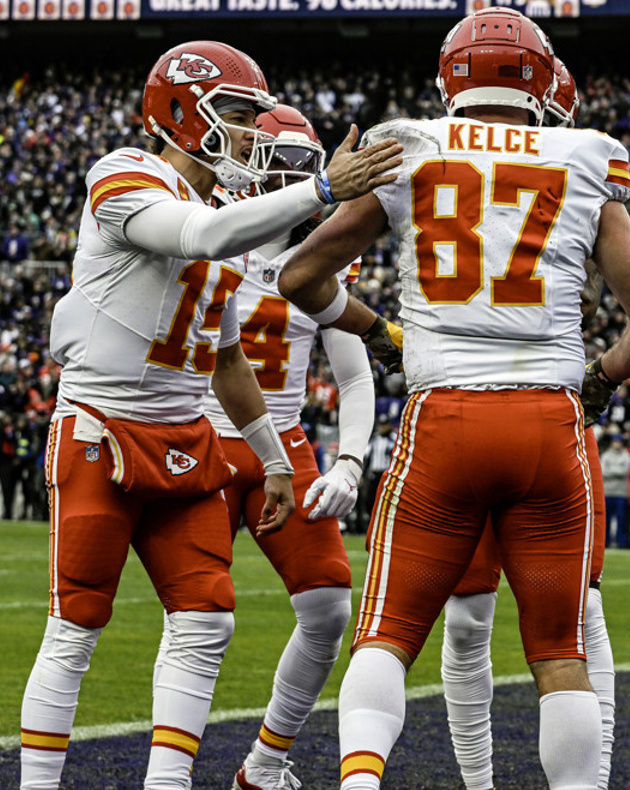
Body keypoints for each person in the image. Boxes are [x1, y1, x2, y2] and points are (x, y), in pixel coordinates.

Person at [277, 8, 630, 790]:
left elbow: (298, 277)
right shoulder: (589, 154)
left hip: (446, 414)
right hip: (549, 422)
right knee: (561, 652)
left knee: (387, 636)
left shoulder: (413, 142)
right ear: (541, 78)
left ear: (449, 76)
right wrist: (599, 377)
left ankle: (359, 781)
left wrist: (384, 332)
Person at [19, 41, 401, 790]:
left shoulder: (226, 212)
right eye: (234, 113)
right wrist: (324, 188)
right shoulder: (126, 174)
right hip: (101, 424)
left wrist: (277, 458)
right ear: (178, 113)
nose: (251, 134)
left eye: (254, 118)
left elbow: (226, 359)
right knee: (77, 626)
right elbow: (196, 237)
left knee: (206, 620)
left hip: (187, 436)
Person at [438, 65, 620, 790]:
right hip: (477, 412)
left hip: (534, 414)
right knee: (468, 622)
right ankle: (478, 784)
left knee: (580, 619)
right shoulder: (451, 172)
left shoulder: (571, 180)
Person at [183, 105, 376, 790]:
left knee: (327, 611)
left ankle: (265, 764)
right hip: (198, 433)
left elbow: (355, 375)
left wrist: (351, 461)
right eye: (279, 161)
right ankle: (168, 771)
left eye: (304, 166)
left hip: (285, 441)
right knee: (199, 618)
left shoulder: (320, 255)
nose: (290, 178)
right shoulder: (207, 229)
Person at [600, 434, 630, 548]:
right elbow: (602, 471)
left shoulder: (626, 456)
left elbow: (625, 471)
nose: (616, 444)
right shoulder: (606, 455)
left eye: (618, 442)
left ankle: (621, 543)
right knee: (606, 521)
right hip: (607, 492)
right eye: (615, 442)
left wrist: (611, 470)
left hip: (621, 493)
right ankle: (605, 543)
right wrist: (617, 470)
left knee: (622, 520)